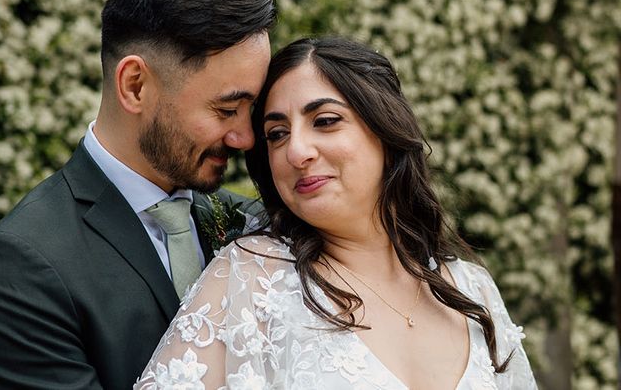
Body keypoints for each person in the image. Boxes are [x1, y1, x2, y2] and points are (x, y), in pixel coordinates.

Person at [0, 0, 276, 389]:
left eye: (253, 109)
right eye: (226, 109)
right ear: (135, 85)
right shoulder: (20, 271)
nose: (246, 138)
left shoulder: (258, 228)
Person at [136, 36, 537, 389]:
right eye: (277, 134)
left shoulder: (473, 290)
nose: (296, 151)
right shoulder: (252, 278)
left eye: (325, 121)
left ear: (385, 129)